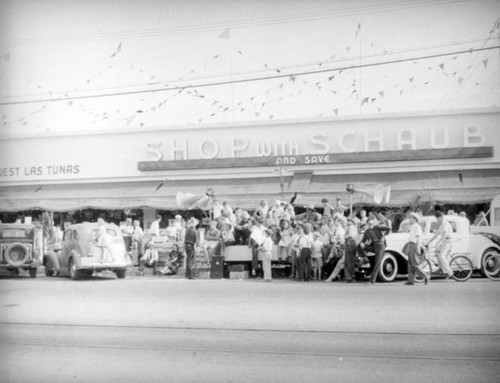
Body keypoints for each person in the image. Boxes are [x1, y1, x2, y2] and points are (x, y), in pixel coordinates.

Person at [357, 217, 391, 284]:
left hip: (380, 245)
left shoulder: (377, 228)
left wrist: (384, 235)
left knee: (377, 263)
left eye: (372, 224)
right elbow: (363, 240)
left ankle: (372, 280)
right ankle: (364, 257)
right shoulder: (367, 231)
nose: (371, 225)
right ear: (367, 224)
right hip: (373, 246)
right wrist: (362, 243)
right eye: (369, 224)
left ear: (373, 223)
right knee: (359, 245)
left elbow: (388, 229)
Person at [426, 211, 453, 279]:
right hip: (445, 241)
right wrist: (429, 242)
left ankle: (450, 272)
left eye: (437, 218)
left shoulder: (445, 224)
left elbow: (445, 234)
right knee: (437, 253)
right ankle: (441, 268)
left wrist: (439, 243)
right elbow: (436, 234)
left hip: (448, 241)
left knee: (441, 256)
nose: (437, 220)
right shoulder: (441, 225)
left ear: (441, 217)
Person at [404, 212, 429, 285]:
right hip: (411, 244)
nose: (409, 219)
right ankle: (411, 280)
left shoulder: (417, 227)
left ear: (415, 219)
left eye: (411, 218)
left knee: (414, 263)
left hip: (414, 245)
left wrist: (418, 247)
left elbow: (418, 237)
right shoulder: (413, 226)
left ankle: (425, 275)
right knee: (411, 264)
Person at [343, 217, 359, 283]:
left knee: (349, 261)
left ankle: (350, 277)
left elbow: (350, 235)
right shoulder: (352, 228)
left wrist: (344, 236)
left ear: (352, 222)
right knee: (349, 261)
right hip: (350, 243)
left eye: (349, 220)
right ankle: (349, 276)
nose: (348, 221)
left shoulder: (351, 227)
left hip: (350, 243)